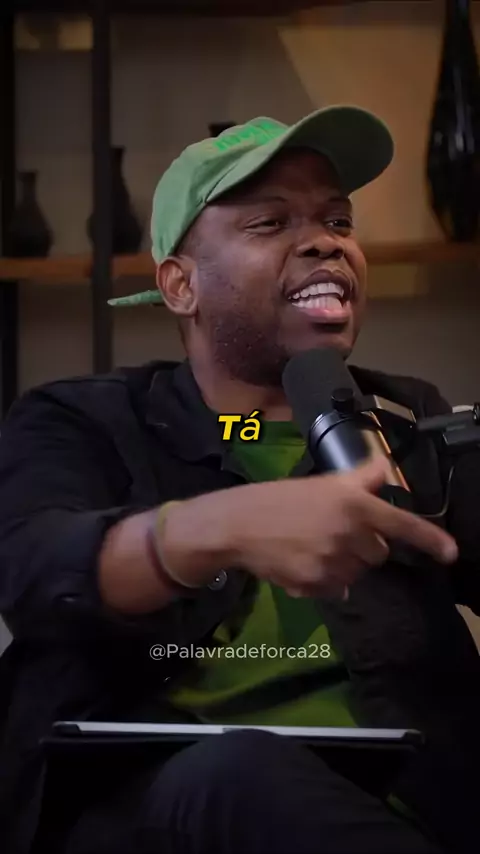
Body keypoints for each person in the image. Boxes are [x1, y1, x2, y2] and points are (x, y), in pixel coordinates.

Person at [0, 107, 479, 854]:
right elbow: (37, 570)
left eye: (338, 220)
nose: (325, 241)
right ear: (180, 285)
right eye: (270, 223)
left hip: (408, 805)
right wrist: (220, 528)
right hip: (165, 809)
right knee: (237, 773)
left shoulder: (409, 418)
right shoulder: (85, 420)